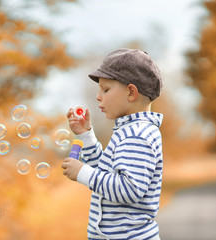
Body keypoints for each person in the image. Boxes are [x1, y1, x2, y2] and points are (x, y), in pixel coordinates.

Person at [62, 48, 164, 240]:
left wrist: (83, 173)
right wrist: (87, 136)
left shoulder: (138, 135)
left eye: (106, 89)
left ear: (131, 93)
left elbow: (128, 189)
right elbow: (106, 175)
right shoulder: (128, 130)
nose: (98, 96)